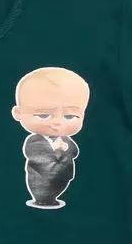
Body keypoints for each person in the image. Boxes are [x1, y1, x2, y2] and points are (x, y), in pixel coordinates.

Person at [12, 67, 90, 208]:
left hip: (63, 175)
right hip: (41, 177)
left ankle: (52, 199)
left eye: (69, 116)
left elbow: (74, 152)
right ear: (18, 113)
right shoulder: (34, 141)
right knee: (43, 190)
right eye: (43, 115)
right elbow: (36, 154)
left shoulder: (66, 141)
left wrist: (65, 148)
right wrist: (55, 149)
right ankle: (42, 199)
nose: (58, 122)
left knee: (59, 187)